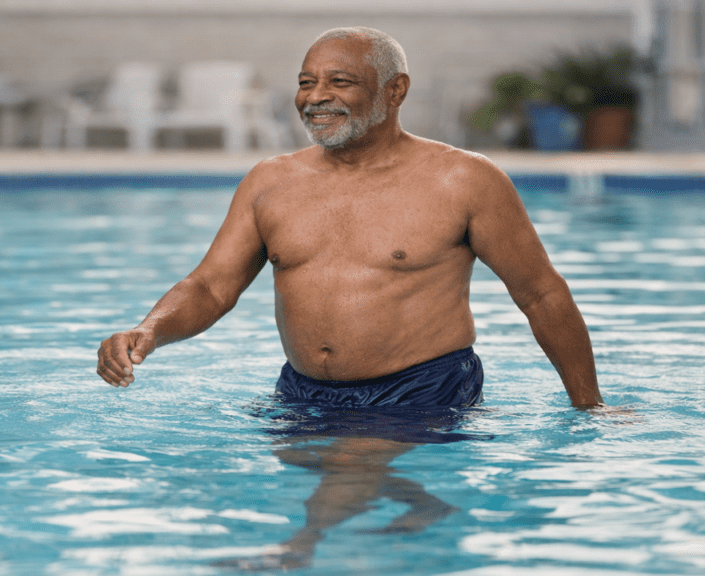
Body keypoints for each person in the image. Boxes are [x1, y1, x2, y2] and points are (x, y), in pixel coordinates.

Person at [96, 26, 603, 410]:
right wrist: (149, 331)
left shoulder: (464, 180)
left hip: (423, 391)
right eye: (306, 83)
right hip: (302, 394)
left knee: (338, 497)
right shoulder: (269, 182)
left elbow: (541, 293)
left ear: (395, 90)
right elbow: (211, 286)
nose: (315, 97)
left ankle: (297, 550)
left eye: (340, 82)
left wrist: (589, 409)